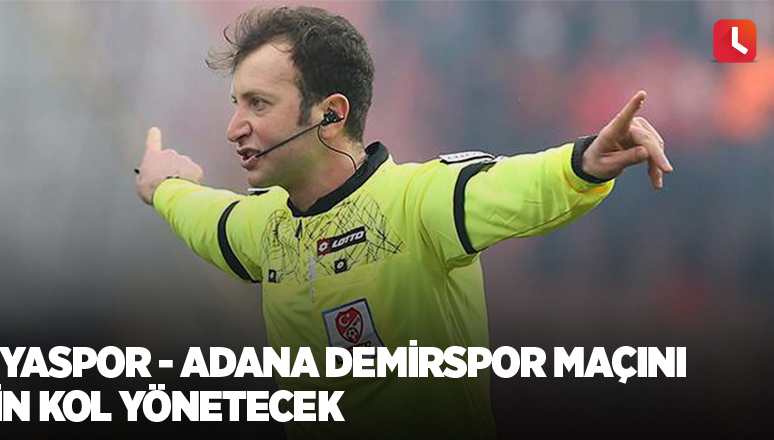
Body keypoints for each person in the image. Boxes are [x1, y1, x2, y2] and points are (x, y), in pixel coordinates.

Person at [134, 5, 671, 439]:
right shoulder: (263, 229)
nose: (234, 127)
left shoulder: (417, 204)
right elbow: (209, 219)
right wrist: (166, 188)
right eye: (236, 103)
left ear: (331, 114)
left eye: (257, 104)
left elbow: (515, 186)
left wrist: (582, 163)